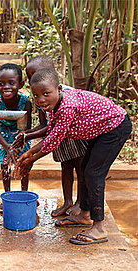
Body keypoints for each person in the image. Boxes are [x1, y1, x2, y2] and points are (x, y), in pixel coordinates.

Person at [17, 68, 131, 245]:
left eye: (46, 93)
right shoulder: (54, 105)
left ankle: (99, 228)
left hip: (114, 128)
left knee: (94, 174)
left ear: (59, 89)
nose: (41, 100)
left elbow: (54, 141)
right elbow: (53, 134)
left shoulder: (68, 107)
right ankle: (84, 215)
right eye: (36, 95)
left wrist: (30, 158)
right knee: (85, 169)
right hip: (99, 131)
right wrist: (30, 153)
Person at [13, 55, 87, 217]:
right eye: (31, 77)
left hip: (75, 136)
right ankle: (67, 202)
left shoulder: (64, 93)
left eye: (38, 74)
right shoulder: (40, 97)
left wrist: (32, 155)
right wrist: (27, 135)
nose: (35, 80)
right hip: (58, 139)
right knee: (66, 167)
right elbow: (45, 126)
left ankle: (80, 202)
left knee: (81, 169)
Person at [0, 63, 32, 212]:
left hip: (21, 134)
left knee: (24, 162)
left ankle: (25, 194)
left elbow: (27, 129)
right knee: (5, 165)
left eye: (11, 83)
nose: (6, 87)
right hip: (1, 135)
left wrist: (17, 146)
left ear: (20, 84)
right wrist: (7, 147)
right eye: (1, 84)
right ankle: (6, 196)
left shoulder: (25, 101)